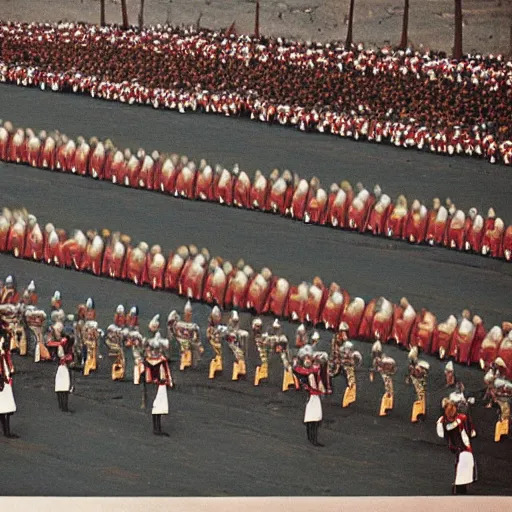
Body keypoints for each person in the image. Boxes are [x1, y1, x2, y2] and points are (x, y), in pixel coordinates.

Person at [436, 399, 477, 495]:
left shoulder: (462, 417)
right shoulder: (443, 421)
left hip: (463, 445)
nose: (451, 413)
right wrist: (457, 422)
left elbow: (470, 431)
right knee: (460, 463)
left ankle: (461, 486)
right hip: (454, 445)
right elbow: (444, 431)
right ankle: (458, 486)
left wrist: (469, 429)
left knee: (465, 462)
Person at [292, 344, 328, 447]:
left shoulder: (313, 370)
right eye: (306, 358)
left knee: (315, 418)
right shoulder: (301, 371)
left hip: (314, 396)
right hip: (309, 396)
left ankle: (312, 438)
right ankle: (312, 439)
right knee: (312, 418)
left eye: (309, 358)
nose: (307, 360)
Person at [143, 332, 174, 436]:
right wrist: (169, 382)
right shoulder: (159, 360)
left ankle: (157, 427)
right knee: (157, 406)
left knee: (157, 407)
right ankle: (156, 428)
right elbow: (166, 372)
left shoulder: (149, 360)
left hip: (156, 385)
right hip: (158, 385)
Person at [53, 322, 74, 412]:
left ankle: (62, 406)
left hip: (62, 366)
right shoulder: (64, 343)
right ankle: (64, 406)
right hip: (63, 367)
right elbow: (62, 355)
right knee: (64, 387)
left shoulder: (62, 342)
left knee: (61, 387)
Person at [0, 334, 18, 438]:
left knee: (5, 407)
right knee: (4, 407)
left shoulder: (5, 355)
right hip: (2, 381)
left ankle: (6, 430)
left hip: (5, 380)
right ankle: (6, 431)